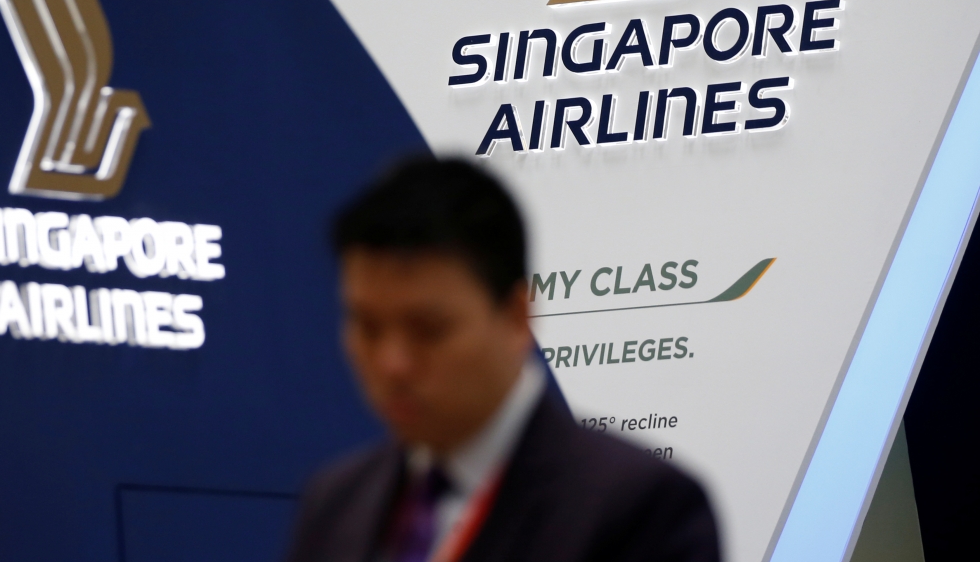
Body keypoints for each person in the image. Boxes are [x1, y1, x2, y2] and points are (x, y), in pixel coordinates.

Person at [284, 156, 719, 562]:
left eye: (428, 331)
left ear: (516, 317)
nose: (392, 363)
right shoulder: (334, 503)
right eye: (368, 328)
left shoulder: (638, 507)